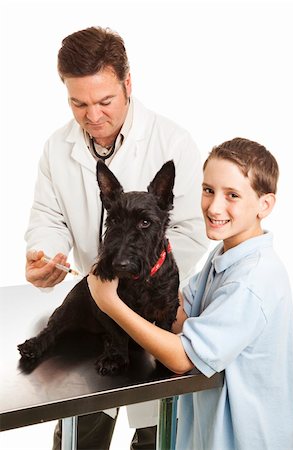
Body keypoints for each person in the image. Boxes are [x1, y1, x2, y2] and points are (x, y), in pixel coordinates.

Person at [24, 26, 209, 450]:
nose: (92, 116)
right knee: (78, 433)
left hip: (153, 315)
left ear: (128, 84)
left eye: (105, 101)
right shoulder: (56, 148)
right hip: (95, 308)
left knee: (154, 433)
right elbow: (48, 216)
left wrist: (134, 280)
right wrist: (45, 255)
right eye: (78, 103)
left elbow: (189, 231)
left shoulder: (173, 142)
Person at [88, 137, 293, 450]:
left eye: (232, 195)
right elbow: (179, 315)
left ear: (264, 205)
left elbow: (182, 359)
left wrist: (110, 303)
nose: (214, 207)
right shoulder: (226, 255)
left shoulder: (253, 280)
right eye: (208, 190)